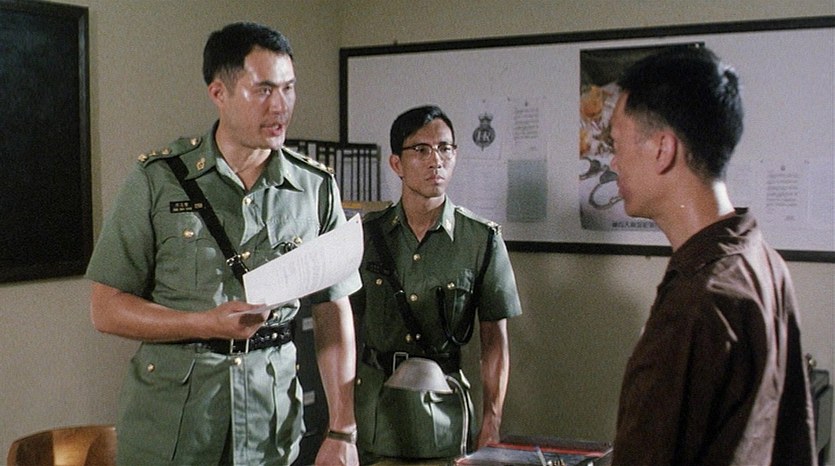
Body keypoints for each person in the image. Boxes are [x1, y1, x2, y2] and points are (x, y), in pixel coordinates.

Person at [86, 22, 361, 466]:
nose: (281, 106)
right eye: (264, 90)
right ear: (219, 92)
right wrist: (203, 323)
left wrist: (342, 429)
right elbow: (106, 308)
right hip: (174, 428)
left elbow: (334, 308)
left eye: (289, 88)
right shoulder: (159, 180)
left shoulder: (314, 188)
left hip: (271, 427)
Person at [609, 46, 817, 465]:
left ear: (663, 149)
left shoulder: (696, 306)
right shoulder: (762, 261)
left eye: (616, 144)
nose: (613, 164)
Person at [352, 105, 523, 461]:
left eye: (445, 149)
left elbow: (494, 340)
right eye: (421, 150)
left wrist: (492, 418)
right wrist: (339, 420)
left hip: (444, 417)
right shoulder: (365, 236)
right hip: (376, 414)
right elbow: (344, 328)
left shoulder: (480, 240)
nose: (436, 161)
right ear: (396, 164)